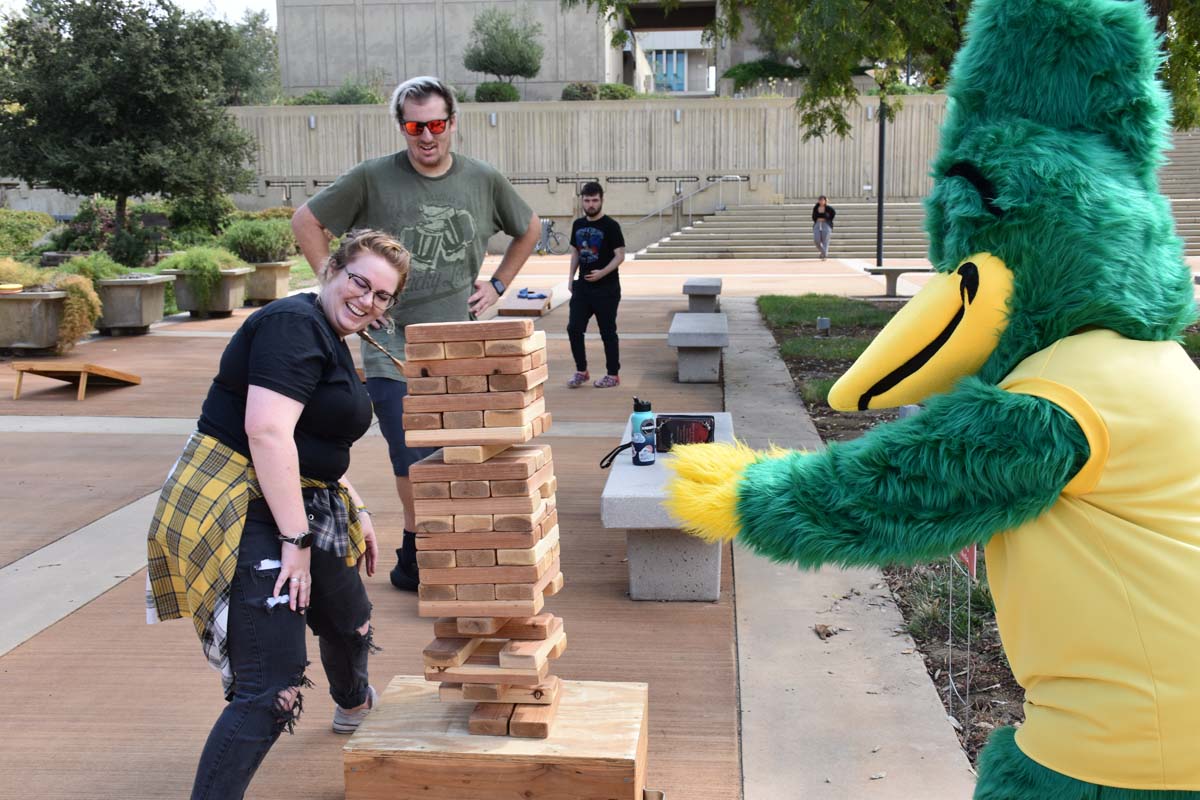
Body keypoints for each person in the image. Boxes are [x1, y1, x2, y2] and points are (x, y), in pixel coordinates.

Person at [146, 230, 410, 800]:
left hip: (300, 497)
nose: (367, 301)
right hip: (244, 504)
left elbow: (309, 434)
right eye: (359, 282)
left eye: (382, 296)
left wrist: (355, 504)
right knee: (272, 690)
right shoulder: (293, 325)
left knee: (348, 616)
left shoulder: (333, 333)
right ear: (332, 269)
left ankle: (353, 703)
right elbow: (266, 431)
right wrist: (296, 540)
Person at [291, 76, 540, 592]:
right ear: (401, 126)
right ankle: (419, 547)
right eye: (413, 126)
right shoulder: (372, 178)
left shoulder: (483, 179)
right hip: (393, 344)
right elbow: (306, 223)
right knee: (411, 452)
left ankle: (452, 544)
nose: (426, 136)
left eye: (435, 124)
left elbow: (528, 227)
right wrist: (340, 289)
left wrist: (497, 284)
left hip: (461, 344)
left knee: (460, 451)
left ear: (452, 123)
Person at [566, 181, 626, 389]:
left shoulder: (611, 226)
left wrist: (602, 273)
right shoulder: (578, 225)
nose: (591, 204)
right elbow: (575, 252)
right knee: (574, 328)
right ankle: (581, 371)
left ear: (601, 200)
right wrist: (571, 278)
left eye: (595, 200)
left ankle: (613, 374)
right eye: (587, 200)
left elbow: (620, 256)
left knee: (607, 332)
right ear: (581, 201)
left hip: (607, 288)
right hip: (583, 287)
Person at [812, 195, 836, 260]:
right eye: (820, 200)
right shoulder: (816, 208)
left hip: (826, 224)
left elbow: (833, 213)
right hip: (817, 224)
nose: (821, 201)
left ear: (825, 201)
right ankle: (823, 252)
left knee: (825, 240)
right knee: (816, 240)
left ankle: (824, 255)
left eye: (823, 200)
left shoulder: (829, 208)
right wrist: (817, 220)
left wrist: (828, 220)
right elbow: (813, 216)